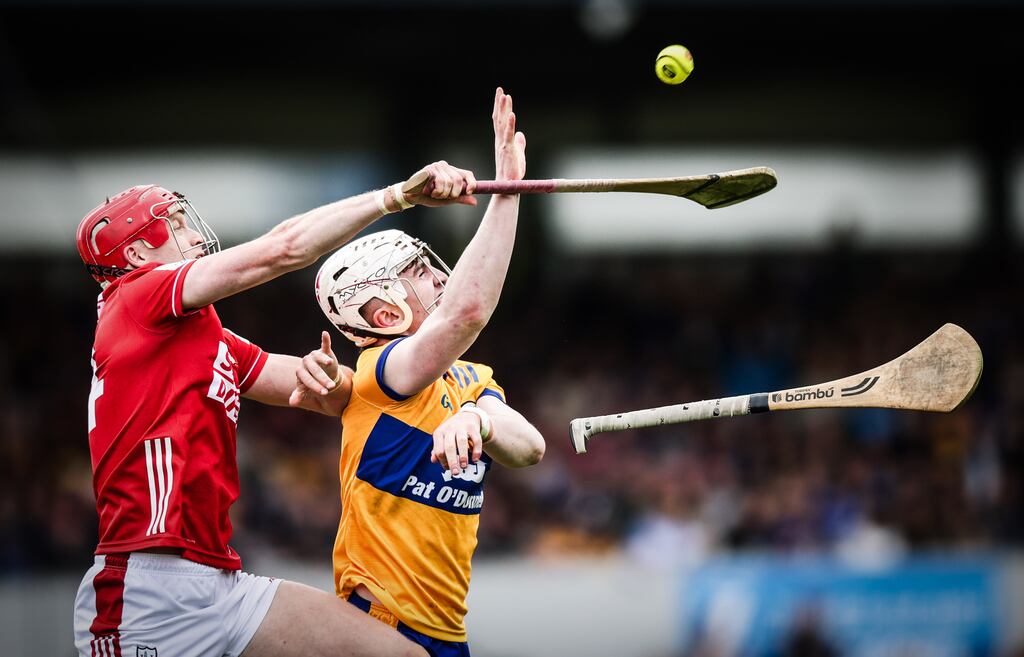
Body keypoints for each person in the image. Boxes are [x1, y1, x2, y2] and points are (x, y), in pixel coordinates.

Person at [73, 145, 483, 657]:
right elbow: (282, 249)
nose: (196, 236)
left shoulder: (202, 337)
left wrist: (333, 377)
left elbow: (338, 394)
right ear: (137, 257)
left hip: (220, 579)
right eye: (176, 226)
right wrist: (396, 197)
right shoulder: (135, 297)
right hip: (146, 589)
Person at [298, 88, 545, 657]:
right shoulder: (380, 374)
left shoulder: (469, 378)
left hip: (445, 632)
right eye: (418, 273)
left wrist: (479, 420)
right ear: (386, 313)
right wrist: (507, 193)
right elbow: (467, 313)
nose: (440, 277)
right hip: (379, 624)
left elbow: (530, 448)